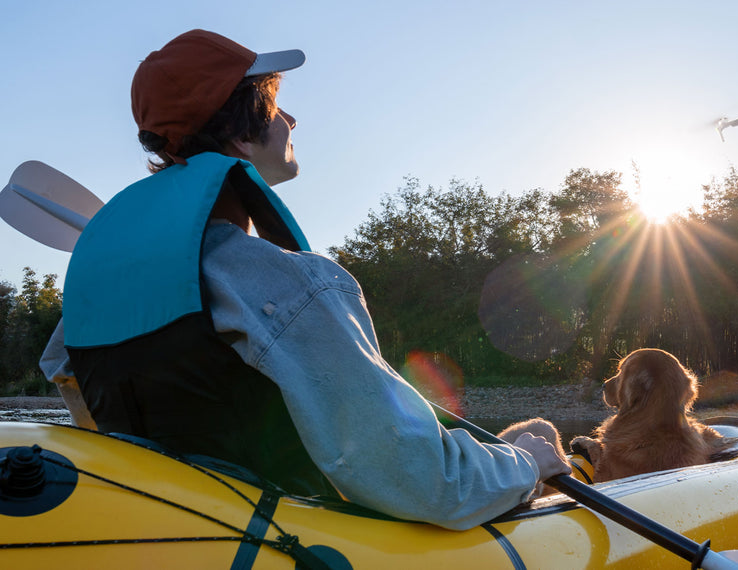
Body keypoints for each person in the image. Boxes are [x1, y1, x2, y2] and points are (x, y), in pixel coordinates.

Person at [41, 29, 569, 531]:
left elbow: (78, 390)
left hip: (171, 533)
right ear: (241, 135)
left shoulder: (89, 305)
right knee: (537, 438)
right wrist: (528, 463)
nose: (290, 118)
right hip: (291, 538)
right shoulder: (289, 282)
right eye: (273, 108)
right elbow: (429, 484)